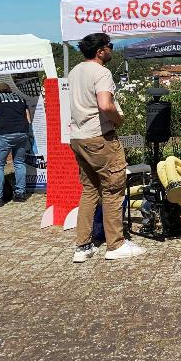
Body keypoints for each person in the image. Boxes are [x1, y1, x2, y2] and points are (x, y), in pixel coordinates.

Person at [68, 33, 144, 262]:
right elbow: (105, 104)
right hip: (100, 137)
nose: (112, 49)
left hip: (78, 138)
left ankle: (82, 246)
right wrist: (118, 120)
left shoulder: (74, 72)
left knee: (90, 191)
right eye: (109, 46)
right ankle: (116, 244)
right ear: (100, 51)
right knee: (113, 189)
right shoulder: (102, 72)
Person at [0, 83, 31, 206]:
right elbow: (28, 117)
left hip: (5, 133)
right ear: (9, 89)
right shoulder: (19, 98)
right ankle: (21, 194)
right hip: (23, 132)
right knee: (19, 163)